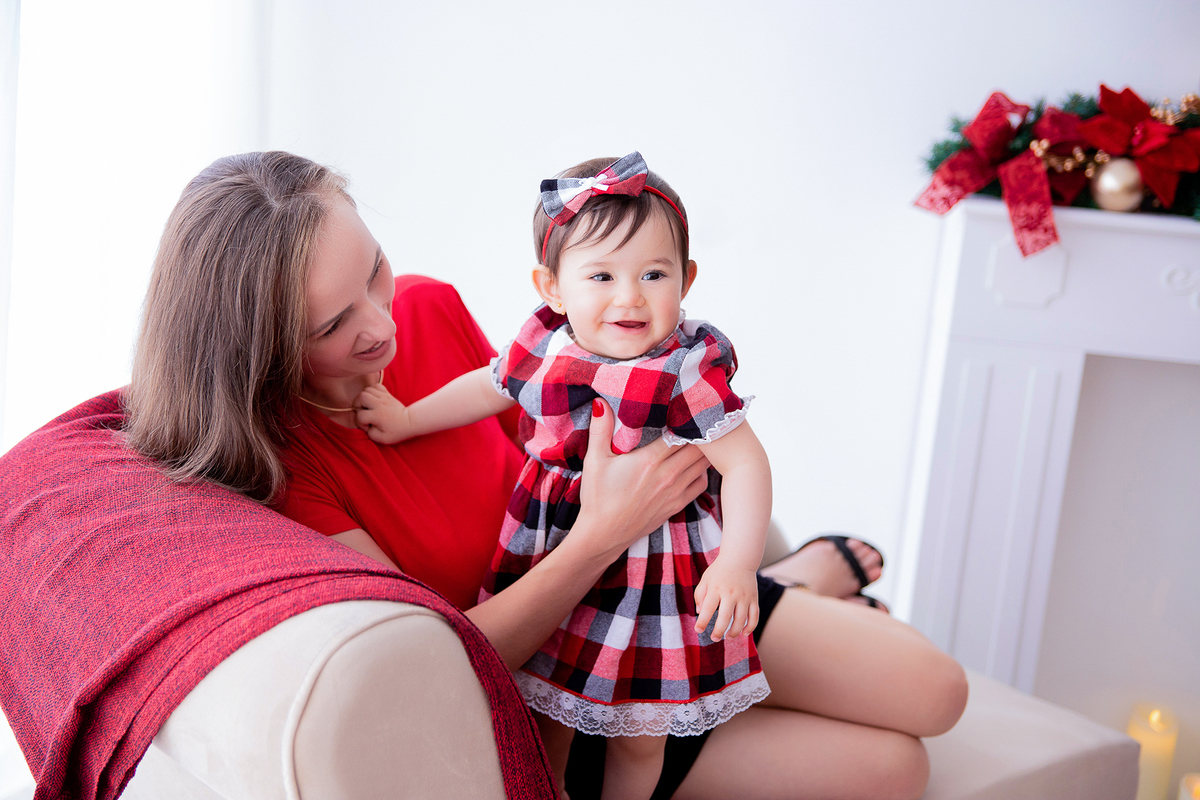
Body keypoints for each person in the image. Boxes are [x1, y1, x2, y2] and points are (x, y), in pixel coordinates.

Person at [125, 151, 968, 800]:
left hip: (673, 588)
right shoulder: (289, 473)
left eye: (374, 271)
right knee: (894, 770)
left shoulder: (429, 308)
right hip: (564, 673)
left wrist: (711, 546)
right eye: (335, 323)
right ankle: (795, 585)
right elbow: (447, 660)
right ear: (259, 346)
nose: (383, 323)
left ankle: (782, 577)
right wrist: (606, 531)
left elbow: (578, 410)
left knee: (936, 694)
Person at [349, 152, 772, 800]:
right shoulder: (546, 343)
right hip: (548, 550)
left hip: (648, 573)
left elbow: (745, 462)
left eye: (653, 274)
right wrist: (408, 420)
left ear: (685, 279)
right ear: (551, 287)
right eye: (600, 275)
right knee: (544, 708)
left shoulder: (684, 368)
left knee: (640, 736)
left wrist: (738, 563)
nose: (629, 296)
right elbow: (490, 387)